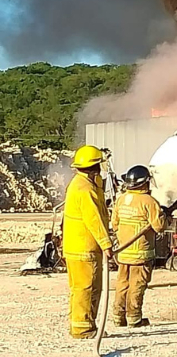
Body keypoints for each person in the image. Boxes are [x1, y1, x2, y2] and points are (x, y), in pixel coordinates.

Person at [62, 144, 113, 339]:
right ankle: (83, 328)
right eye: (99, 165)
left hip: (75, 246)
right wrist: (106, 244)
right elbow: (94, 219)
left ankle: (82, 323)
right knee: (88, 288)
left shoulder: (80, 183)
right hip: (85, 247)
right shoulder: (85, 189)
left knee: (80, 288)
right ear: (94, 167)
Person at [110, 165, 166, 328]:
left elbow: (114, 224)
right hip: (141, 254)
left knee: (122, 284)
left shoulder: (121, 200)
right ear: (145, 183)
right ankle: (134, 318)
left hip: (123, 253)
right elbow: (159, 227)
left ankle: (118, 317)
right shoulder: (149, 202)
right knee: (137, 285)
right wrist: (164, 216)